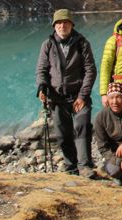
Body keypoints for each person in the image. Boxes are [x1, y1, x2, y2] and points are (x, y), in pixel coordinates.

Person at [36, 9, 98, 178]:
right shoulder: (47, 45)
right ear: (54, 26)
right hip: (57, 97)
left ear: (71, 24)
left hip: (79, 95)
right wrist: (42, 87)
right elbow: (41, 70)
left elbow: (90, 70)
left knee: (82, 127)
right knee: (63, 134)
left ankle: (85, 166)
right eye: (58, 23)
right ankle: (70, 167)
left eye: (65, 22)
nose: (62, 26)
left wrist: (82, 96)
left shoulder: (82, 43)